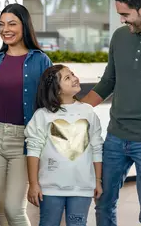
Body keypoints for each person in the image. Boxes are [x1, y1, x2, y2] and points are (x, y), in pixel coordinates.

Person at [0, 3, 52, 226]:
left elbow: (50, 103)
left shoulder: (41, 60)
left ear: (24, 26)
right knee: (1, 207)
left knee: (14, 208)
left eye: (12, 24)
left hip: (24, 142)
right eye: (1, 24)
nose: (5, 29)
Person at [81, 0, 141, 226]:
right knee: (103, 201)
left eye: (126, 14)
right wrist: (75, 110)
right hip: (116, 137)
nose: (122, 20)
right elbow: (108, 81)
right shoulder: (119, 37)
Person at [25, 65, 103, 226]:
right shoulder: (42, 115)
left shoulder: (88, 112)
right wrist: (33, 184)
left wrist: (97, 180)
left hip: (82, 188)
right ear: (56, 89)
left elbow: (96, 147)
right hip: (50, 189)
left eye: (73, 74)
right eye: (68, 78)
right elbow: (33, 150)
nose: (75, 78)